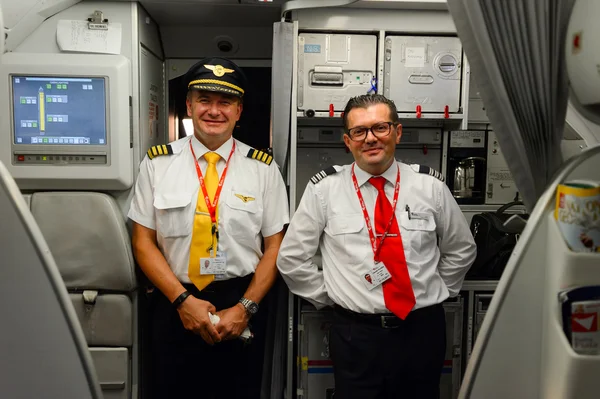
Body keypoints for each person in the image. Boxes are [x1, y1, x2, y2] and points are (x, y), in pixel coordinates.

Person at [277, 94, 476, 399]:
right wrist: (332, 296)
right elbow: (292, 259)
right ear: (347, 140)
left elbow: (461, 249)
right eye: (359, 131)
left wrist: (437, 291)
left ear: (397, 132)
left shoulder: (430, 187)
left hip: (421, 331)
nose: (370, 139)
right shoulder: (324, 191)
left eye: (380, 128)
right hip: (356, 335)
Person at [128, 57, 289, 398]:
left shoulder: (263, 168)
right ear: (189, 106)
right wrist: (183, 301)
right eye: (204, 100)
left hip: (240, 303)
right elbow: (142, 242)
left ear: (239, 110)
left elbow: (276, 246)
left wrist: (245, 308)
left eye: (225, 102)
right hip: (175, 302)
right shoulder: (157, 163)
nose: (214, 111)